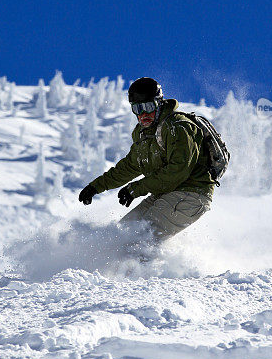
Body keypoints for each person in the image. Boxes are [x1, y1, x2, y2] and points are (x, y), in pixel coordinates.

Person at [78, 77, 215, 244]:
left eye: (148, 107)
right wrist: (95, 187)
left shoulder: (178, 127)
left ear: (159, 104)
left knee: (139, 240)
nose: (143, 114)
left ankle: (155, 270)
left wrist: (137, 189)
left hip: (191, 193)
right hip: (165, 192)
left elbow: (178, 170)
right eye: (137, 109)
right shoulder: (144, 134)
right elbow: (130, 166)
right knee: (120, 236)